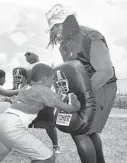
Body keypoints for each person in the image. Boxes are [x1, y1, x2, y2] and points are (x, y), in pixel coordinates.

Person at [45, 4, 117, 163]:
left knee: (79, 130)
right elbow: (73, 72)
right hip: (81, 90)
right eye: (52, 28)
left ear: (68, 21)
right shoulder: (63, 45)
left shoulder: (91, 36)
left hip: (101, 85)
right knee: (88, 132)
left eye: (57, 26)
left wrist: (82, 96)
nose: (55, 31)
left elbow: (105, 71)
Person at [0, 63, 81, 163]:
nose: (52, 83)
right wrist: (76, 104)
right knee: (47, 158)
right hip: (11, 126)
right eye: (52, 79)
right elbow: (68, 109)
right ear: (45, 79)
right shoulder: (44, 90)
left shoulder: (25, 88)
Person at [23, 51, 61, 154]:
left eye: (30, 57)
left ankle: (56, 146)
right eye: (27, 59)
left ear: (36, 55)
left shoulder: (48, 63)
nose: (29, 60)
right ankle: (22, 145)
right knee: (24, 122)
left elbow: (56, 78)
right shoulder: (26, 68)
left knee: (49, 123)